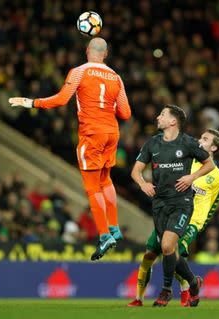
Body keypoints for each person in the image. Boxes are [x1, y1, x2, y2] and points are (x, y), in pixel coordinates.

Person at [9, 38, 131, 260]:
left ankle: (104, 236)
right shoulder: (116, 77)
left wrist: (30, 102)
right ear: (106, 54)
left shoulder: (79, 71)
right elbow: (126, 113)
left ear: (87, 51)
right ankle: (114, 227)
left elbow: (61, 99)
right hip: (112, 133)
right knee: (106, 180)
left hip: (92, 134)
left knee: (92, 187)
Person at [128, 128, 219, 307]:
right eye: (201, 136)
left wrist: (199, 225)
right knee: (150, 254)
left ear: (213, 148)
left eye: (205, 139)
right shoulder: (187, 159)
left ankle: (179, 290)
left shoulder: (218, 177)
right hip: (170, 213)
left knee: (171, 248)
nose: (199, 140)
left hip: (192, 221)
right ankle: (140, 298)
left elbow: (213, 205)